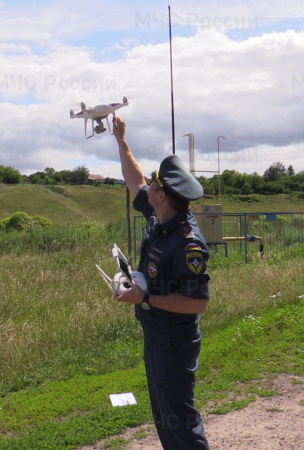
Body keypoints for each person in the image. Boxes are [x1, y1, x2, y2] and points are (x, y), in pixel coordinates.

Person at [112, 116, 210, 449]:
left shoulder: (187, 243)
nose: (148, 188)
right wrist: (121, 140)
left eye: (154, 185)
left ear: (163, 195)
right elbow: (133, 179)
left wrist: (145, 298)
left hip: (173, 340)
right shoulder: (160, 215)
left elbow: (197, 302)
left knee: (180, 420)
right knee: (164, 417)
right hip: (156, 333)